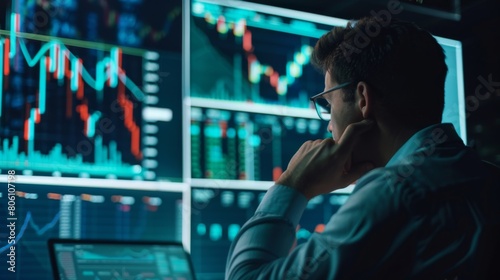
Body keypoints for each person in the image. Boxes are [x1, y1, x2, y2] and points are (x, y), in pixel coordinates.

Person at [225, 16, 500, 279]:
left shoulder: (394, 193)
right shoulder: (487, 176)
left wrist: (293, 183)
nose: (329, 126)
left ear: (362, 99)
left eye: (329, 105)